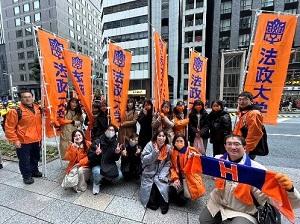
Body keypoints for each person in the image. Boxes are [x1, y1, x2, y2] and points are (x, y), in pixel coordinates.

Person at [199, 134, 300, 224]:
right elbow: (197, 165)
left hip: (244, 211)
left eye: (236, 144)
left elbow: (280, 200)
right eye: (229, 144)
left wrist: (290, 189)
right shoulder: (218, 161)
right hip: (219, 203)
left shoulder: (256, 169)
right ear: (225, 147)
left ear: (245, 147)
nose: (233, 147)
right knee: (204, 220)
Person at [5, 89, 42, 184]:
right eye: (25, 97)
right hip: (23, 140)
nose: (28, 99)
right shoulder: (15, 111)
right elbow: (9, 127)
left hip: (36, 138)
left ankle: (34, 171)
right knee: (24, 160)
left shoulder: (38, 108)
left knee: (35, 157)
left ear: (32, 97)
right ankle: (26, 176)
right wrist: (15, 140)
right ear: (21, 99)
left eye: (29, 97)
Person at [140, 131, 171, 214]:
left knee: (163, 188)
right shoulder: (150, 145)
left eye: (163, 136)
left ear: (166, 138)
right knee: (152, 202)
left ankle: (164, 203)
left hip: (160, 174)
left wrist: (162, 174)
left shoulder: (168, 147)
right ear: (156, 137)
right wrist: (154, 153)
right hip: (148, 173)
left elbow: (168, 163)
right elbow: (144, 160)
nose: (161, 138)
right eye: (159, 135)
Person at [169, 134, 205, 206]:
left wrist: (191, 159)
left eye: (181, 141)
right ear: (174, 142)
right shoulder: (173, 152)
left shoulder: (191, 150)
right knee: (170, 192)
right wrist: (175, 178)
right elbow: (172, 167)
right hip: (178, 177)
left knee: (181, 201)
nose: (179, 143)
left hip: (189, 178)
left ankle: (184, 193)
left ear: (185, 142)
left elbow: (199, 163)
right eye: (177, 141)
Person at [88, 125, 122, 195]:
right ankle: (96, 183)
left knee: (120, 176)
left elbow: (116, 159)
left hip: (109, 164)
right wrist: (96, 153)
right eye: (109, 129)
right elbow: (89, 156)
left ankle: (105, 178)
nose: (110, 132)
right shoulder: (97, 141)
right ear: (105, 130)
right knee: (97, 172)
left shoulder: (115, 143)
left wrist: (117, 153)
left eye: (113, 130)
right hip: (98, 164)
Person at [233, 91, 263, 159]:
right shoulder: (243, 112)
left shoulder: (254, 113)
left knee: (245, 166)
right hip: (239, 144)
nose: (241, 102)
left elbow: (254, 134)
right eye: (240, 99)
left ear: (251, 101)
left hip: (245, 148)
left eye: (245, 99)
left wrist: (246, 149)